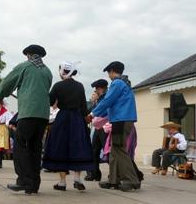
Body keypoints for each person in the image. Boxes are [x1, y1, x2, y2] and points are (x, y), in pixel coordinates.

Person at [0, 44, 53, 194]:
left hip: (28, 113)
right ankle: (34, 184)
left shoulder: (25, 66)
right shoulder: (47, 71)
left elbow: (7, 83)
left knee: (20, 144)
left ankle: (23, 180)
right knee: (35, 147)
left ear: (28, 54)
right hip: (43, 116)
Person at [87, 61, 140, 192]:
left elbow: (107, 100)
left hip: (121, 120)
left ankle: (132, 180)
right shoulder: (125, 83)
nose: (109, 75)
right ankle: (113, 180)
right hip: (121, 120)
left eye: (108, 72)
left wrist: (93, 113)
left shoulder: (117, 83)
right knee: (115, 151)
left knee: (120, 150)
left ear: (111, 71)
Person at [42, 61, 93, 191]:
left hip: (63, 118)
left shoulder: (58, 86)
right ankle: (77, 179)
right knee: (78, 147)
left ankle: (62, 182)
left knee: (61, 148)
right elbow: (83, 106)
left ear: (63, 71)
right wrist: (85, 119)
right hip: (77, 119)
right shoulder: (80, 86)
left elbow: (51, 101)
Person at [85, 79, 109, 181]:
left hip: (105, 127)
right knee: (94, 151)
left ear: (100, 88)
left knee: (107, 151)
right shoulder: (100, 99)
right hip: (98, 128)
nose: (95, 91)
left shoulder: (107, 97)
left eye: (96, 89)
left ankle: (114, 174)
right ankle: (95, 174)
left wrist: (92, 115)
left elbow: (102, 111)